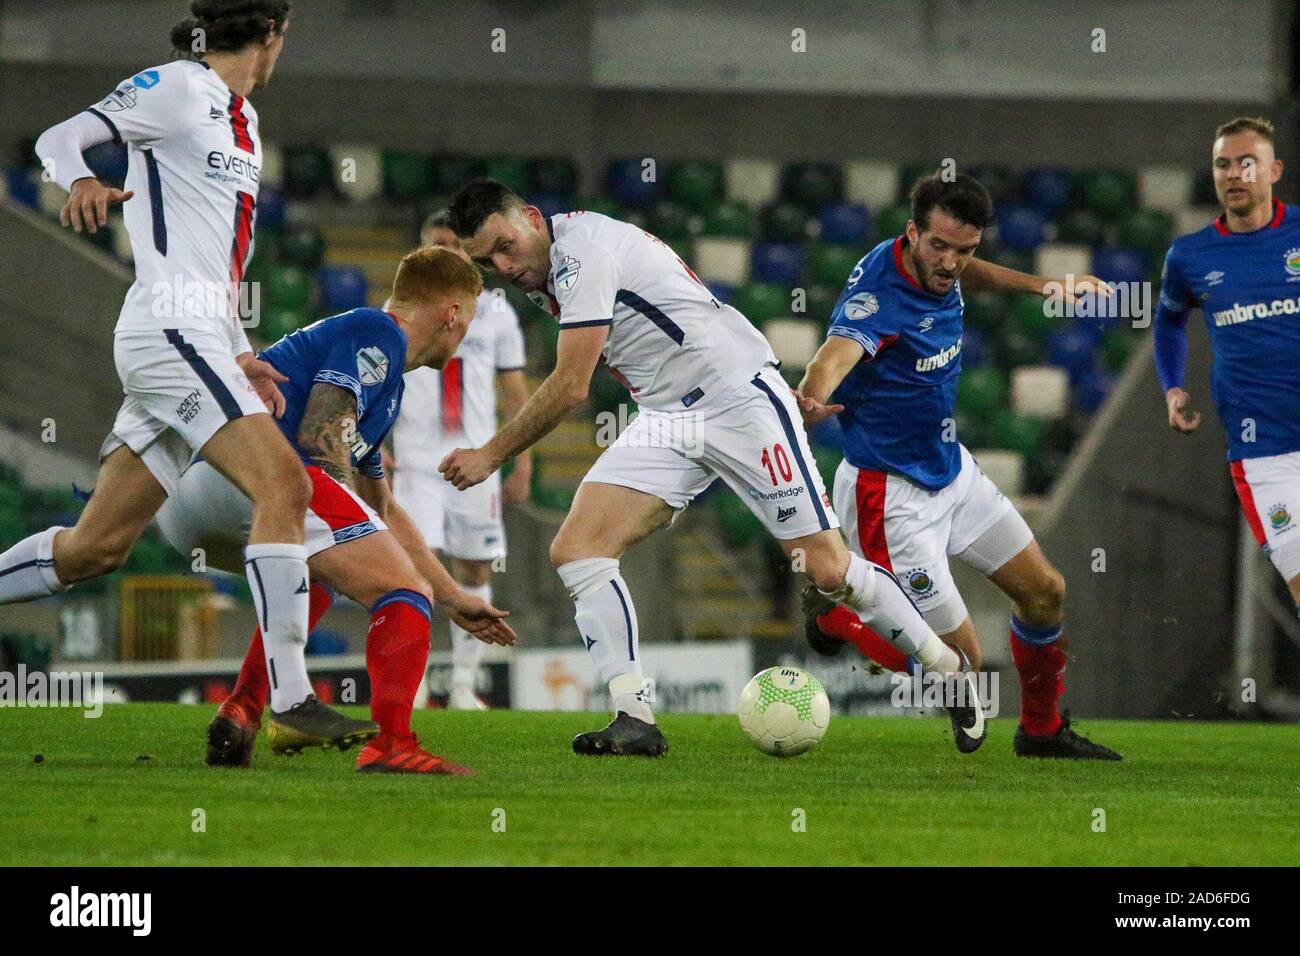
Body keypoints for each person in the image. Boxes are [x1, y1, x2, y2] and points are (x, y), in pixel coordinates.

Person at [438, 179, 986, 757]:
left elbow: (572, 385)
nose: (504, 265)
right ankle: (635, 718)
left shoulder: (582, 256)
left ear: (530, 216)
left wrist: (489, 454)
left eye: (505, 246)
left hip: (738, 398)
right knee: (578, 549)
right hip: (668, 416)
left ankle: (948, 669)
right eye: (487, 259)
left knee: (828, 570)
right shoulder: (547, 262)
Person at [6, 1, 373, 749]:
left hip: (202, 334)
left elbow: (216, 259)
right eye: (283, 39)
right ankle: (294, 697)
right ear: (271, 36)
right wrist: (78, 179)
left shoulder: (243, 122)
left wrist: (241, 350)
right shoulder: (176, 85)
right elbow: (60, 135)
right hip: (168, 329)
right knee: (288, 486)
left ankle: (287, 697)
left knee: (95, 549)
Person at [796, 172, 1122, 760]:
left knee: (1045, 591)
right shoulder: (877, 299)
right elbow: (833, 354)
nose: (951, 264)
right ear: (912, 231)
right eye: (939, 247)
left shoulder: (944, 262)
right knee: (961, 663)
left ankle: (1042, 733)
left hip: (952, 471)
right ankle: (837, 619)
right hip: (889, 495)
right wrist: (812, 395)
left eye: (964, 250)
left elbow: (971, 273)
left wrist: (1045, 286)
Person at [157, 245, 516, 775]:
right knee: (399, 589)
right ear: (452, 314)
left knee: (324, 575)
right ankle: (392, 743)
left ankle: (242, 711)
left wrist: (452, 595)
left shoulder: (383, 383)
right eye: (467, 320)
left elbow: (383, 510)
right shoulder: (379, 332)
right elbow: (321, 430)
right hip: (259, 476)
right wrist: (378, 556)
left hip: (197, 499)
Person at [1155, 117, 1300, 621]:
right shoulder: (1191, 255)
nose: (1233, 174)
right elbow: (1169, 322)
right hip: (1266, 457)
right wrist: (1173, 388)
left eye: (1246, 162)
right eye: (1222, 164)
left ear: (1273, 170)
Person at [390, 210, 531, 710]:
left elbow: (515, 393)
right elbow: (381, 380)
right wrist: (379, 446)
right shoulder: (396, 309)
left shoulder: (495, 312)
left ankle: (465, 686)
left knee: (473, 569)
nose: (447, 250)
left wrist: (521, 461)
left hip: (475, 464)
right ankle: (415, 685)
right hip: (413, 463)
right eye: (437, 243)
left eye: (454, 242)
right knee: (415, 570)